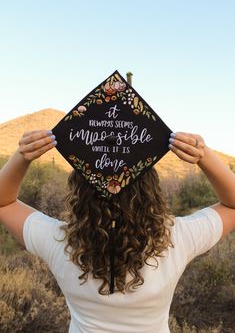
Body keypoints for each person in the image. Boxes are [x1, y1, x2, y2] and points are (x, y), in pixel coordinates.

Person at [0, 129, 235, 333]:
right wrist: (204, 156)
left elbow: (4, 202)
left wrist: (22, 157)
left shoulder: (59, 241)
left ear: (80, 193)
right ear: (151, 190)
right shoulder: (176, 238)